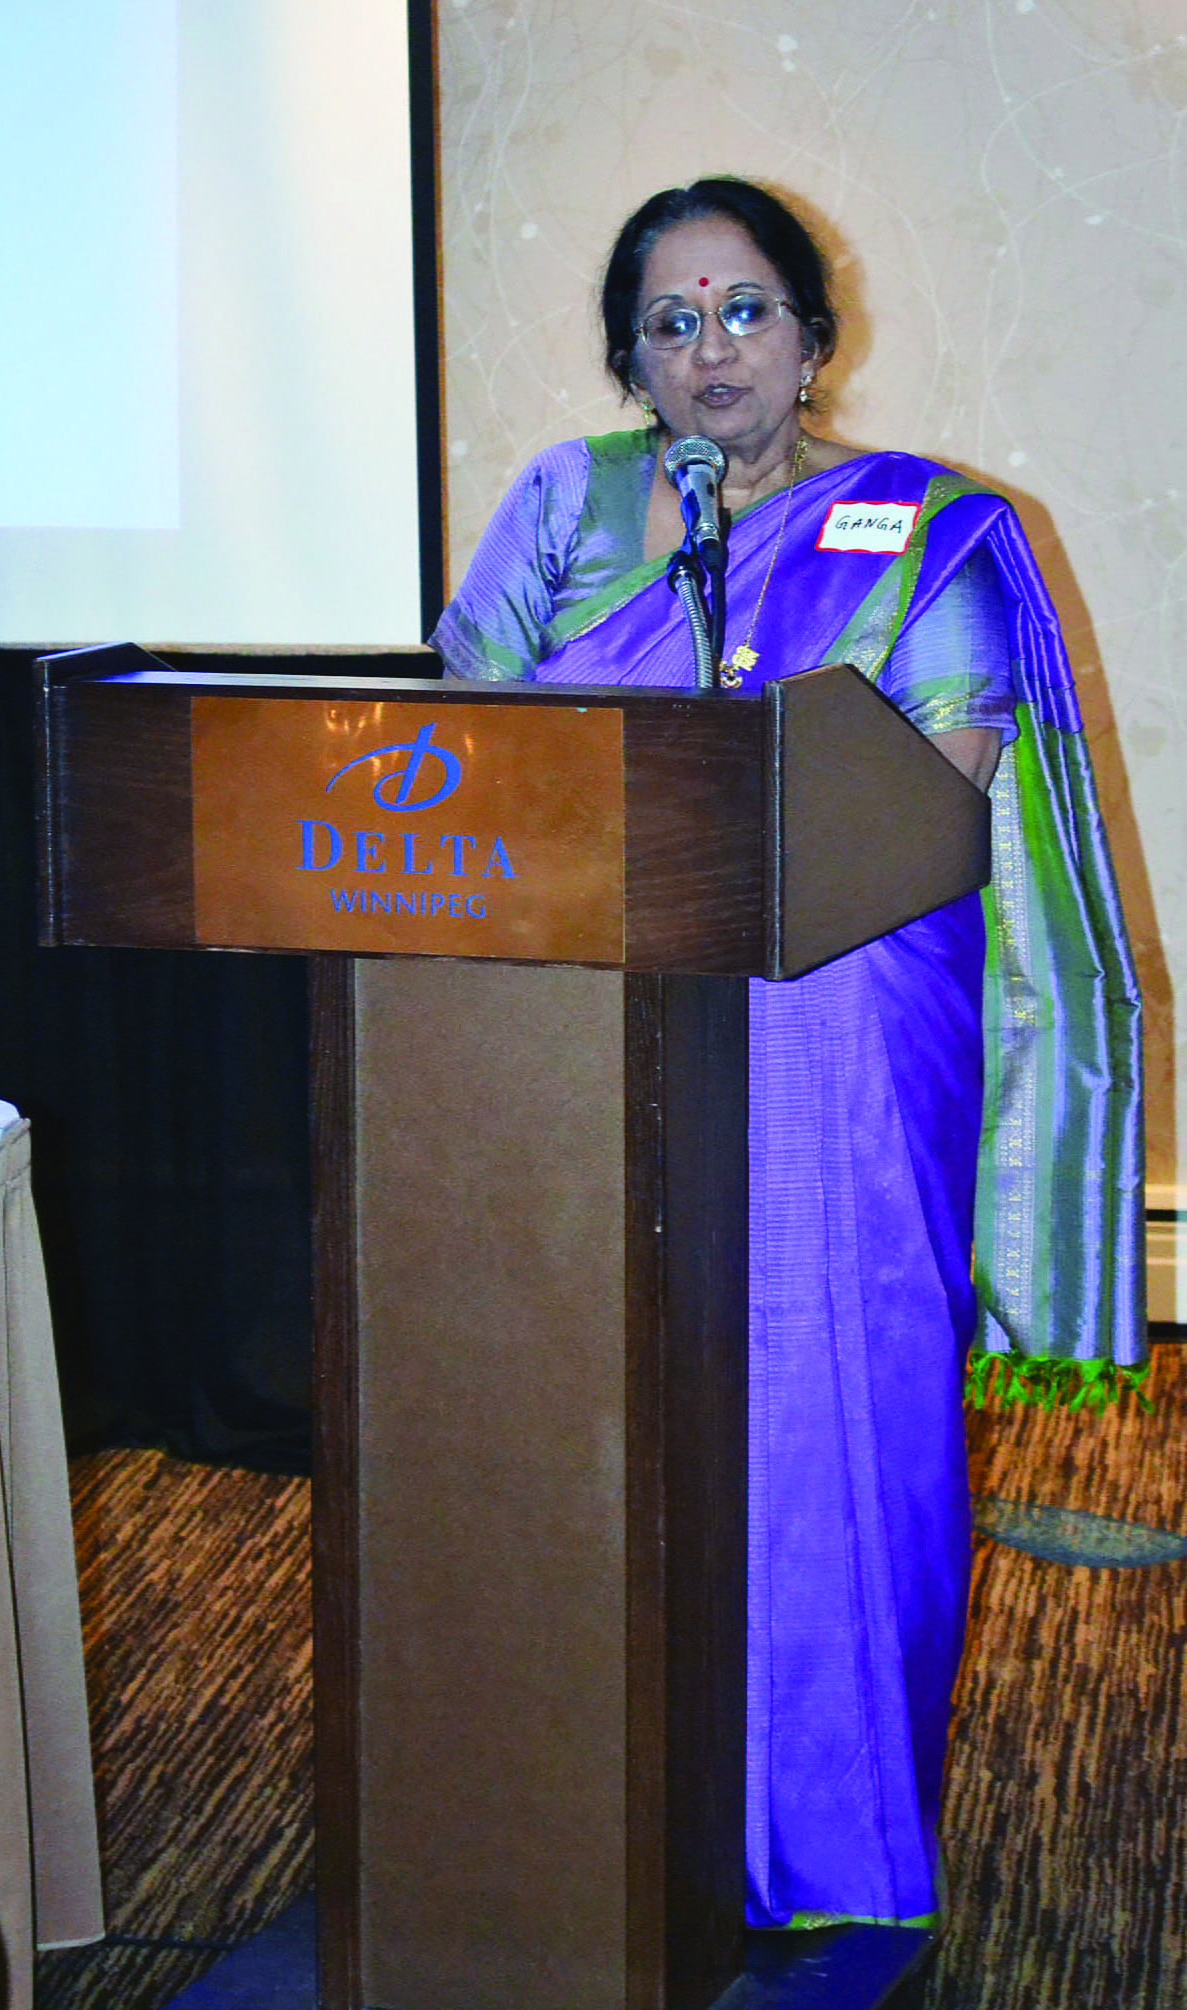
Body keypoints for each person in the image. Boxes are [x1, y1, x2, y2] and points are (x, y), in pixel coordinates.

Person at [429, 179, 1144, 1930]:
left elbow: (943, 787)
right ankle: (585, 1793)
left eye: (745, 309)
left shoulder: (931, 530)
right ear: (629, 362)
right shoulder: (568, 503)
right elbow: (464, 748)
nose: (712, 350)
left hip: (842, 1028)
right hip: (584, 1031)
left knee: (839, 1406)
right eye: (670, 323)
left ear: (816, 339)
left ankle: (828, 1833)